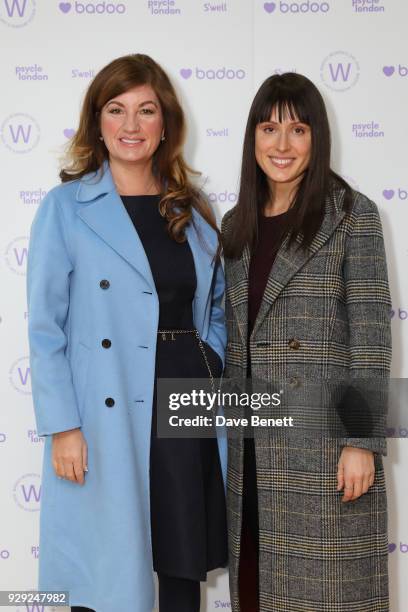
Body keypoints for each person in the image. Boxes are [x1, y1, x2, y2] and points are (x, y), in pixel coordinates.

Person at [27, 53, 228, 612]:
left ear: (166, 123)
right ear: (97, 122)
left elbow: (214, 305)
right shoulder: (66, 208)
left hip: (187, 398)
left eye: (146, 110)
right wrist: (63, 425)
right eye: (116, 110)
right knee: (110, 568)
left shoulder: (191, 207)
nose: (131, 126)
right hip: (107, 407)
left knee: (182, 561)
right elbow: (46, 329)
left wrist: (206, 359)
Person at [221, 73, 391, 611]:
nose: (282, 145)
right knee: (257, 591)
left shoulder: (350, 215)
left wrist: (361, 441)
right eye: (269, 129)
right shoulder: (235, 225)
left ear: (317, 137)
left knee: (328, 594)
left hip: (321, 448)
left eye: (298, 129)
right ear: (252, 138)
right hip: (250, 448)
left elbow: (370, 333)